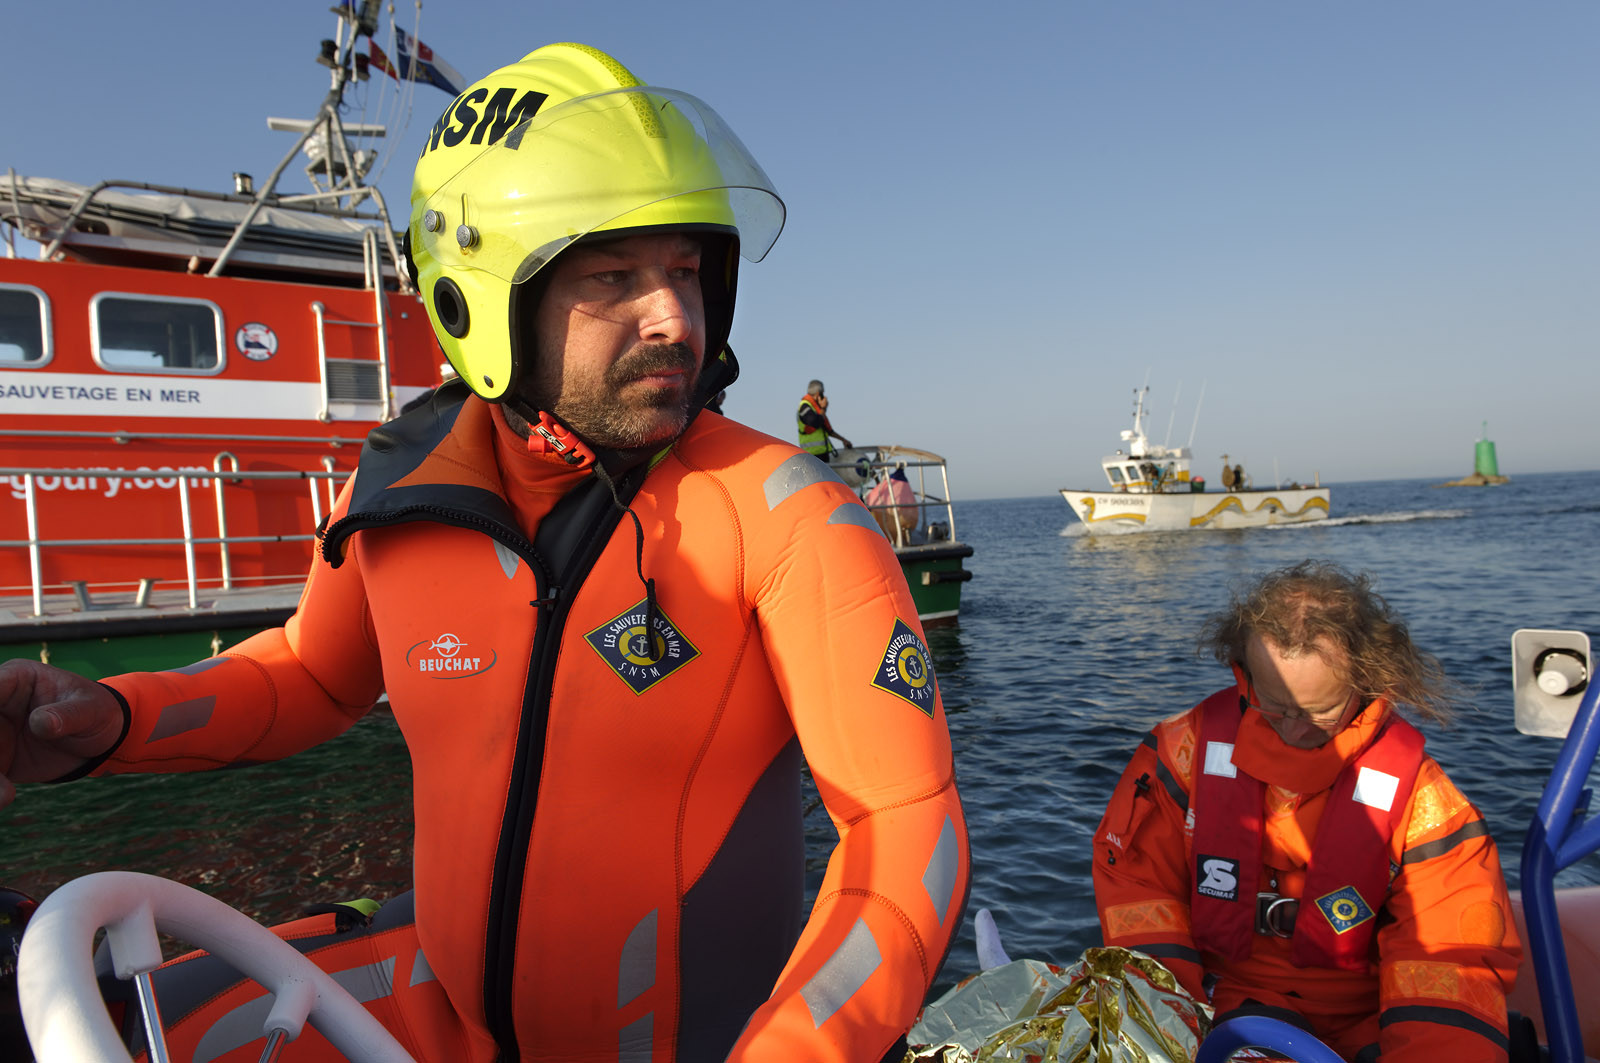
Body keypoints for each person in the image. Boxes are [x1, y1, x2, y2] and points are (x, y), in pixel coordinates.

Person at [0, 43, 969, 1063]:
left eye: (687, 269)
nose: (675, 318)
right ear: (479, 298)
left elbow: (907, 835)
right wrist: (113, 720)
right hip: (449, 1027)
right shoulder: (401, 491)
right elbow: (310, 676)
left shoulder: (785, 514)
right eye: (614, 276)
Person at [1092, 560, 1520, 1063]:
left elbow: (1450, 956)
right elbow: (1137, 888)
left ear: (1369, 679)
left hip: (1369, 1017)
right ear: (1245, 675)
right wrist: (1167, 1021)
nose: (1295, 731)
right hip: (1216, 1003)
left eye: (1321, 712)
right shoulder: (1180, 757)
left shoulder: (1423, 801)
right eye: (1277, 707)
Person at [797, 379, 851, 458]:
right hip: (812, 455)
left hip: (822, 453)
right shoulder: (805, 406)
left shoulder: (816, 409)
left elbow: (827, 429)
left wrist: (843, 440)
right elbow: (816, 422)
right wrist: (823, 408)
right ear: (819, 394)